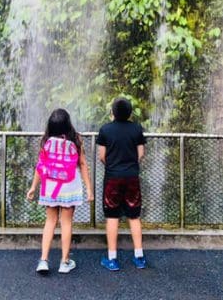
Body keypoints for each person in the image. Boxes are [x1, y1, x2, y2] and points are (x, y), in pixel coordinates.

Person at [27, 108, 93, 275]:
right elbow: (83, 165)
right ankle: (64, 262)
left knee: (50, 221)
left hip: (50, 186)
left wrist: (33, 187)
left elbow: (40, 166)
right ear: (68, 124)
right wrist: (89, 189)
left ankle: (43, 260)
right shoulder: (76, 139)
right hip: (69, 186)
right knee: (66, 223)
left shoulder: (46, 141)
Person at [96, 96, 146, 271]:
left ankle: (112, 258)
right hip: (132, 177)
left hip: (112, 178)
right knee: (134, 216)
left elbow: (102, 156)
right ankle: (139, 256)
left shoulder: (105, 130)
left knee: (112, 217)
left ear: (112, 112)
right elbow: (141, 153)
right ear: (130, 112)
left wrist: (113, 166)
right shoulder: (137, 129)